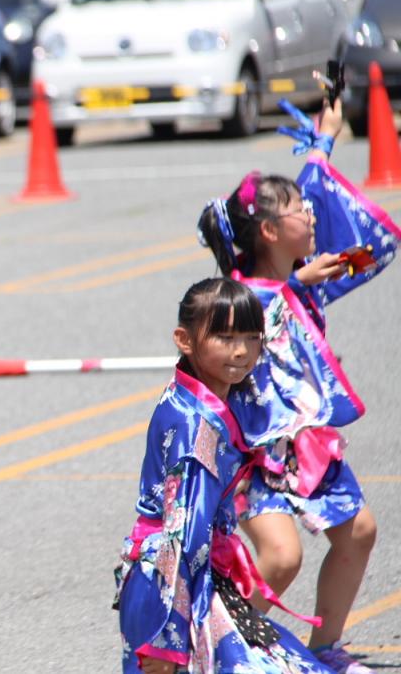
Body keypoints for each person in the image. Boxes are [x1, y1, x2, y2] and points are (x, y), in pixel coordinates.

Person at [196, 96, 400, 672]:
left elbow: (371, 252)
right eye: (297, 212)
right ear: (267, 230)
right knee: (280, 558)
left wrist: (323, 143)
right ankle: (209, 647)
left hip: (307, 448)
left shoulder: (303, 284)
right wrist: (294, 286)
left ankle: (325, 648)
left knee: (358, 532)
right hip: (257, 456)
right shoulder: (240, 299)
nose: (310, 215)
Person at [115, 277, 332, 673]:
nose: (242, 351)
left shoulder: (210, 397)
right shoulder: (195, 426)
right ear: (184, 340)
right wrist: (167, 642)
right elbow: (184, 538)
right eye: (226, 337)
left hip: (195, 578)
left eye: (252, 337)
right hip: (170, 589)